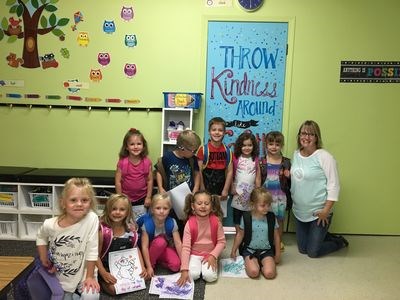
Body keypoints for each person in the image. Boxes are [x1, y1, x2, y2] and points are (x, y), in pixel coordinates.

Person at [290, 120, 348, 258]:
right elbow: (298, 177)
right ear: (299, 136)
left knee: (312, 252)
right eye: (303, 133)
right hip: (299, 211)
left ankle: (339, 242)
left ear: (317, 137)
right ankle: (323, 235)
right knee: (302, 249)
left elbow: (334, 185)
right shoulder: (296, 154)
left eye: (311, 134)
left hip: (319, 213)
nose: (306, 137)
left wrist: (325, 211)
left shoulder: (325, 157)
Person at [36, 178, 100, 299]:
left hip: (85, 273)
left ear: (90, 203)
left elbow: (92, 249)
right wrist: (43, 256)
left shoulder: (92, 218)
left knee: (91, 297)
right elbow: (41, 236)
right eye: (73, 200)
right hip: (59, 273)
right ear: (63, 203)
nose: (79, 204)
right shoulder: (50, 224)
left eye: (85, 200)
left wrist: (90, 277)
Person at [96, 194, 147, 295]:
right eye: (114, 209)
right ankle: (101, 280)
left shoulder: (130, 229)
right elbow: (95, 255)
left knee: (144, 279)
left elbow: (135, 248)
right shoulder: (103, 231)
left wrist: (142, 267)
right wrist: (103, 273)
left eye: (122, 209)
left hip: (124, 265)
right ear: (107, 209)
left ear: (127, 212)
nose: (117, 212)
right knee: (114, 290)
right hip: (104, 266)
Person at [155, 129, 201, 233]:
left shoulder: (192, 159)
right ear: (182, 148)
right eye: (193, 150)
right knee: (171, 222)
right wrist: (161, 187)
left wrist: (195, 189)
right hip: (171, 198)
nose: (195, 153)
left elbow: (197, 174)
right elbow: (159, 171)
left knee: (186, 222)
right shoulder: (168, 157)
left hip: (187, 197)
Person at [177, 191, 226, 286]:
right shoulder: (189, 223)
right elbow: (186, 247)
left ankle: (211, 263)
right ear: (193, 206)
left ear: (211, 206)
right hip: (194, 254)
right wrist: (184, 269)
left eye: (206, 203)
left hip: (210, 254)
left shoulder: (216, 221)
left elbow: (222, 242)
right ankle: (196, 268)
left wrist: (213, 255)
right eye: (199, 203)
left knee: (210, 277)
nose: (203, 206)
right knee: (192, 275)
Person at [230, 187, 281, 279]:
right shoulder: (246, 217)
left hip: (266, 251)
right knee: (254, 272)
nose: (267, 208)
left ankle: (263, 263)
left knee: (270, 274)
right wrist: (233, 250)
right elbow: (240, 235)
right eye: (263, 205)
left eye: (269, 205)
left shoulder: (271, 217)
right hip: (250, 250)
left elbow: (276, 236)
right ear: (253, 204)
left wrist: (277, 254)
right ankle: (255, 263)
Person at [260, 131, 292, 251]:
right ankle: (264, 239)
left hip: (280, 197)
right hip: (266, 197)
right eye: (271, 144)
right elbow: (259, 179)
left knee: (279, 220)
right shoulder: (262, 162)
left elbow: (292, 182)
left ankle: (279, 241)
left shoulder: (286, 162)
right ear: (266, 145)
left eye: (277, 144)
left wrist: (289, 176)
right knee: (264, 218)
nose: (274, 147)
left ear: (281, 145)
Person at [138, 193, 182, 277]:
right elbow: (144, 247)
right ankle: (152, 263)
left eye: (165, 208)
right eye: (158, 208)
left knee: (176, 266)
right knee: (160, 242)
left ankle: (158, 260)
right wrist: (149, 267)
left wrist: (184, 265)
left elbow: (178, 243)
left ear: (170, 209)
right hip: (150, 249)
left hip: (164, 248)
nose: (161, 211)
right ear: (152, 209)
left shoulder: (172, 222)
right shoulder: (147, 224)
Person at [115, 128, 153, 215]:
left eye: (139, 144)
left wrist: (148, 197)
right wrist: (119, 198)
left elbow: (150, 180)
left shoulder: (147, 162)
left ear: (143, 146)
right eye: (132, 144)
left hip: (142, 199)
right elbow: (118, 182)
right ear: (126, 147)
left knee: (140, 222)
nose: (136, 147)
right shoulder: (122, 163)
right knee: (127, 222)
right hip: (125, 199)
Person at [231, 132, 261, 233]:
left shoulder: (255, 159)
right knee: (237, 217)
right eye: (244, 145)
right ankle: (238, 233)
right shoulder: (235, 158)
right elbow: (230, 174)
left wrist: (257, 191)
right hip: (237, 193)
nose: (247, 148)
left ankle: (246, 234)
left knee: (248, 216)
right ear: (239, 146)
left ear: (254, 146)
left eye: (249, 145)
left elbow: (257, 176)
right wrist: (232, 187)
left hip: (251, 194)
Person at [197, 117, 233, 201]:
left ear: (224, 133)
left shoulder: (228, 151)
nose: (217, 132)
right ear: (209, 131)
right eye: (214, 130)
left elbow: (230, 171)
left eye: (220, 130)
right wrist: (202, 187)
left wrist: (226, 189)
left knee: (219, 213)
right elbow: (199, 171)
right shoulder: (203, 150)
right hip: (206, 185)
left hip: (221, 187)